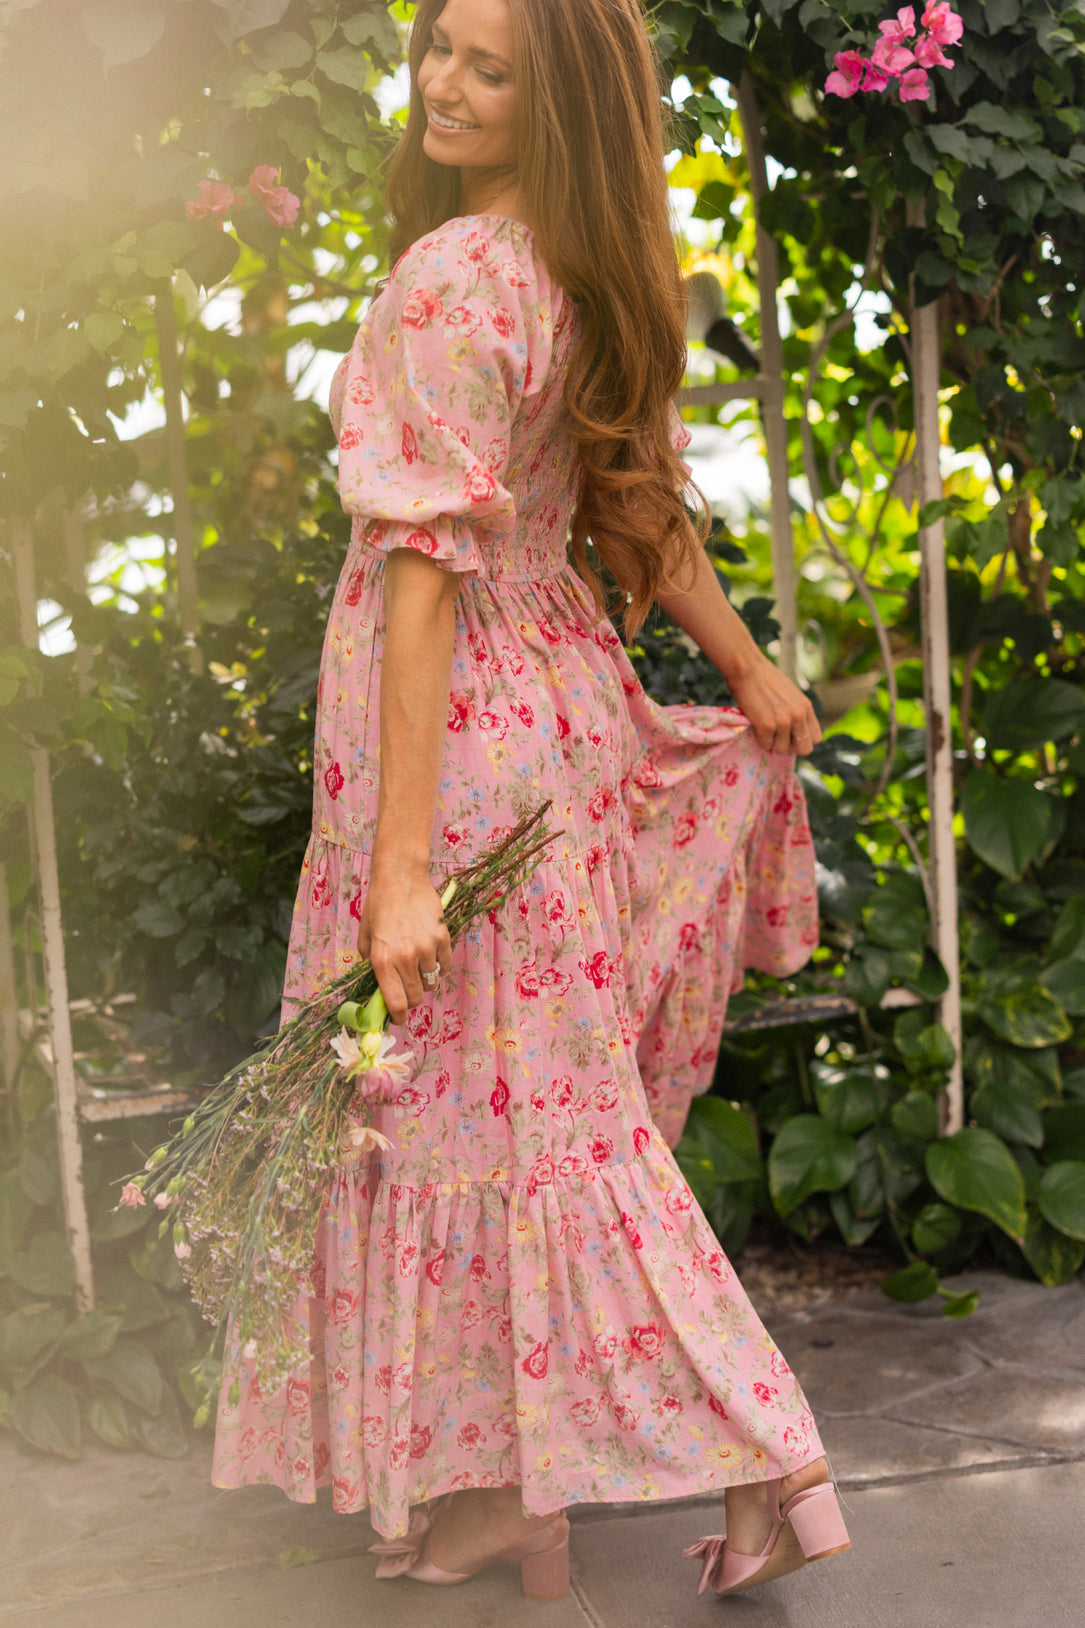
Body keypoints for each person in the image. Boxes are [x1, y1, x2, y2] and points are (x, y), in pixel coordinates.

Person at [212, 0, 851, 1602]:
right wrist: (746, 663)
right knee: (490, 1128)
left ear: (552, 99)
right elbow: (637, 504)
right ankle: (505, 1500)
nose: (442, 81)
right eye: (438, 47)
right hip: (544, 723)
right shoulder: (567, 269)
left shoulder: (456, 276)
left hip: (464, 758)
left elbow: (424, 569)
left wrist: (404, 869)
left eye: (487, 68)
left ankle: (776, 1459)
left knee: (540, 1142)